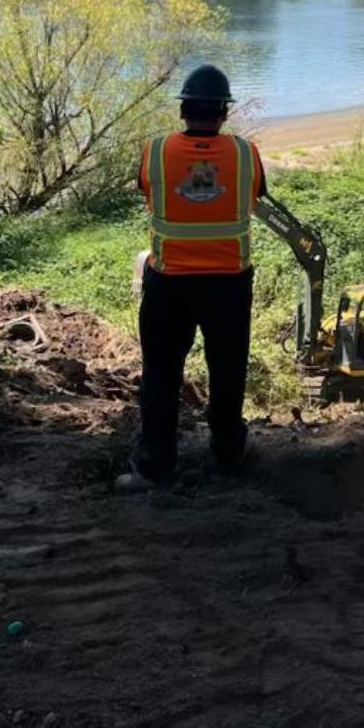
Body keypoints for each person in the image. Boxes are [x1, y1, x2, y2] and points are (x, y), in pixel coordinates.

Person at [121, 64, 265, 489]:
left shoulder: (155, 152)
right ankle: (228, 455)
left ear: (183, 110)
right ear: (224, 112)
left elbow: (148, 192)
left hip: (169, 284)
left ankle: (155, 467)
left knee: (161, 375)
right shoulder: (246, 154)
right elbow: (254, 196)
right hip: (229, 284)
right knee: (228, 371)